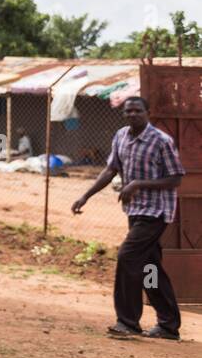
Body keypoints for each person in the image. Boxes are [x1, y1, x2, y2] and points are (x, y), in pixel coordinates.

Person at [72, 96, 184, 340]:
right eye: (128, 111)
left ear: (148, 112)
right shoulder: (121, 136)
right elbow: (111, 169)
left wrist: (137, 184)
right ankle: (168, 325)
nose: (132, 115)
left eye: (137, 111)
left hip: (156, 212)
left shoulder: (161, 141)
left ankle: (128, 322)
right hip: (134, 211)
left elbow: (176, 178)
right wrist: (85, 196)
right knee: (149, 267)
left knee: (128, 256)